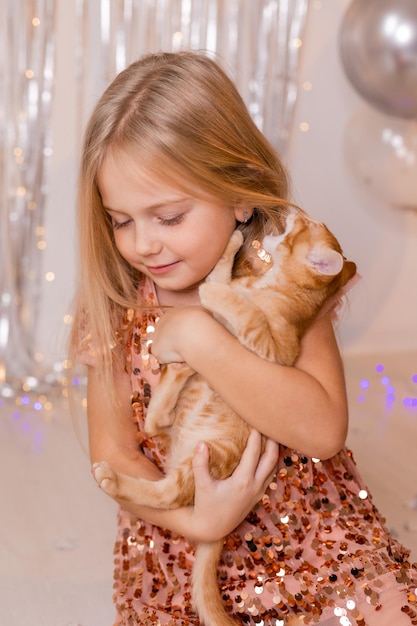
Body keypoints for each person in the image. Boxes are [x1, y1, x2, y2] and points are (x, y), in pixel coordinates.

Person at [69, 50, 417, 626]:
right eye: (122, 220)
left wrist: (205, 340)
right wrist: (199, 523)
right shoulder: (117, 302)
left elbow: (324, 430)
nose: (144, 244)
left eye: (170, 216)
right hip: (181, 554)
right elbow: (116, 454)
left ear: (239, 195)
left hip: (312, 544)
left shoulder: (284, 279)